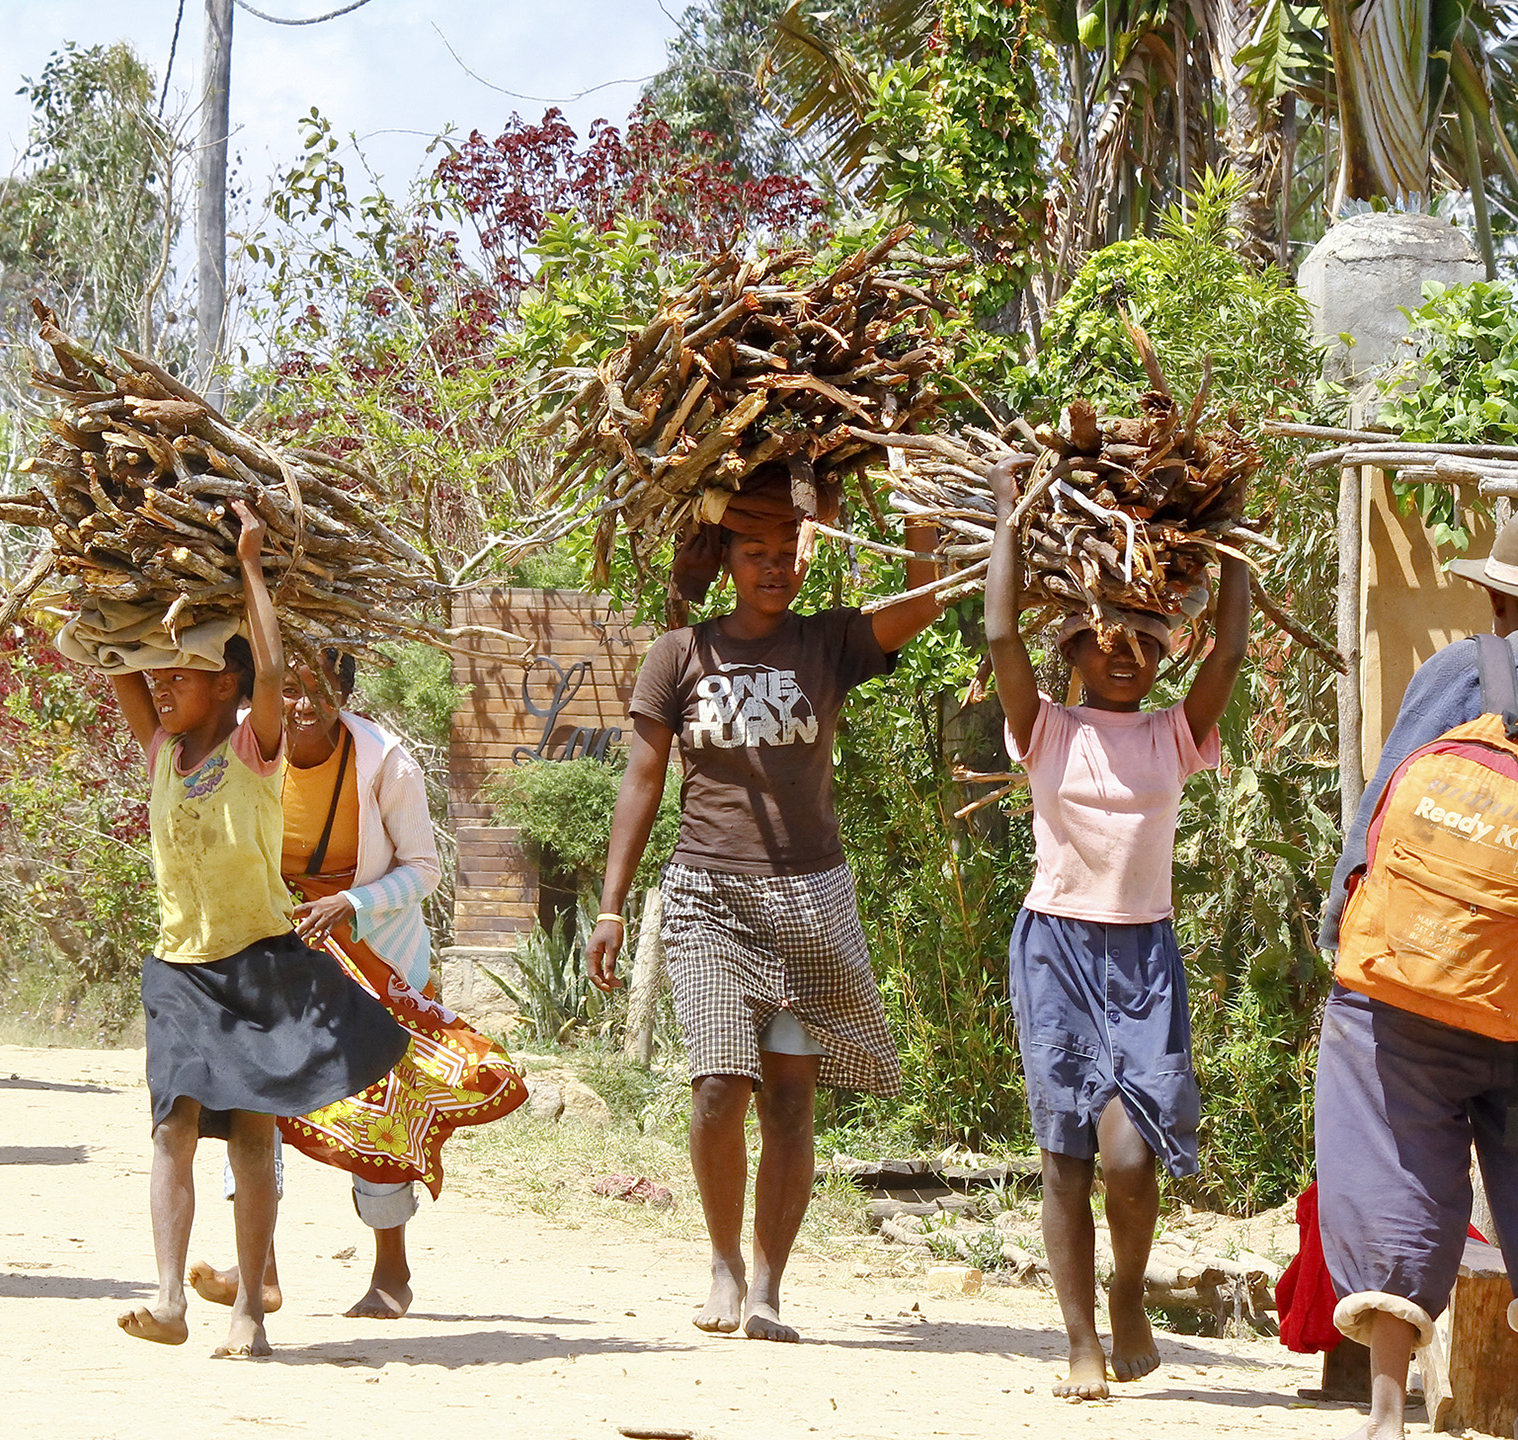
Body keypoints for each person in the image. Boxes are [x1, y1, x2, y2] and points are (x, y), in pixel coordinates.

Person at [585, 488, 950, 1343]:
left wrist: (919, 513)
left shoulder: (828, 642)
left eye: (788, 552)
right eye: (757, 554)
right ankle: (722, 1262)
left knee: (790, 1099)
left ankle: (769, 1285)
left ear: (804, 556)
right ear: (727, 560)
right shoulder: (679, 655)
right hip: (709, 894)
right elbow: (641, 783)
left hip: (812, 898)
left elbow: (924, 603)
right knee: (719, 1086)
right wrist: (610, 906)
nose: (775, 569)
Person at [101, 502, 408, 1358]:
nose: (164, 685)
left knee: (249, 1133)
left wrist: (249, 569)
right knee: (170, 1126)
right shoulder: (162, 747)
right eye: (162, 675)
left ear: (228, 687)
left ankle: (250, 1314)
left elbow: (271, 666)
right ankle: (168, 1298)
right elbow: (111, 651)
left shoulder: (252, 745)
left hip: (257, 961)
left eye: (185, 673)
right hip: (177, 965)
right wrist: (94, 576)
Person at [983, 456, 1248, 1400]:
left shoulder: (1176, 734)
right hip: (1056, 948)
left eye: (1140, 637)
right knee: (1066, 1154)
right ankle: (1080, 1339)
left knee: (1133, 1159)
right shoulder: (1045, 728)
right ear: (1074, 655)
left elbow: (1225, 654)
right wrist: (1011, 516)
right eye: (1101, 638)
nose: (1122, 652)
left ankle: (1129, 1292)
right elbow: (1001, 629)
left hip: (1143, 955)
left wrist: (1230, 540)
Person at [190, 648, 527, 1320]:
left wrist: (352, 903)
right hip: (275, 947)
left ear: (345, 693)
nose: (302, 705)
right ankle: (261, 1271)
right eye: (286, 689)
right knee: (251, 1096)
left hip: (376, 955)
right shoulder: (242, 749)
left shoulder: (384, 761)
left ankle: (390, 1273)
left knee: (378, 1104)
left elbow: (425, 870)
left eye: (319, 689)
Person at [1313, 520, 1518, 1440]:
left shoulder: (1461, 672)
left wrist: (1341, 935)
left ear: (1496, 596)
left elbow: (1383, 804)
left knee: (1393, 1164)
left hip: (1410, 983)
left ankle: (1388, 1412)